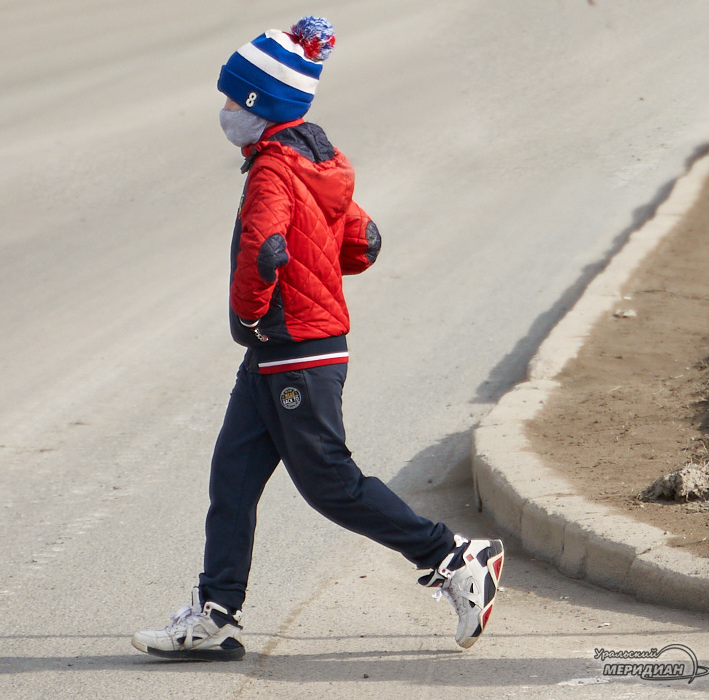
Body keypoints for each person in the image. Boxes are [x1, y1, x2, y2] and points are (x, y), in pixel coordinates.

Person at [131, 16, 504, 662]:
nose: (223, 112)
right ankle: (216, 612)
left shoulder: (274, 170)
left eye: (231, 100)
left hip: (293, 352)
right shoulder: (315, 158)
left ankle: (454, 558)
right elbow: (363, 240)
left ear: (258, 106)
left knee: (331, 483)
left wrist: (251, 314)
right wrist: (313, 267)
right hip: (282, 354)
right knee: (232, 478)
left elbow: (264, 251)